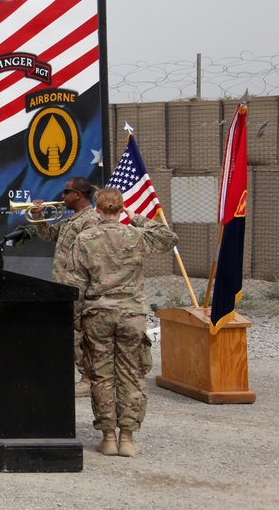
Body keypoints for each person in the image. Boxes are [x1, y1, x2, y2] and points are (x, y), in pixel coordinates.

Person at [65, 187, 177, 457]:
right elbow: (168, 238)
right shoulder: (136, 235)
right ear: (120, 207)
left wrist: (75, 320)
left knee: (102, 377)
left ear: (98, 208)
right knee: (131, 375)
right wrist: (136, 217)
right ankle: (127, 438)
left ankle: (107, 437)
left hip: (97, 315)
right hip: (132, 316)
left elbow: (75, 285)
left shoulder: (84, 238)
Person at [30, 176, 98, 398]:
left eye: (66, 192)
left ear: (78, 194)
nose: (62, 196)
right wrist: (38, 216)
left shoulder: (90, 221)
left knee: (78, 332)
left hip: (78, 286)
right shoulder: (72, 219)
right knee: (67, 331)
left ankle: (88, 378)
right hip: (63, 283)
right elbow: (49, 235)